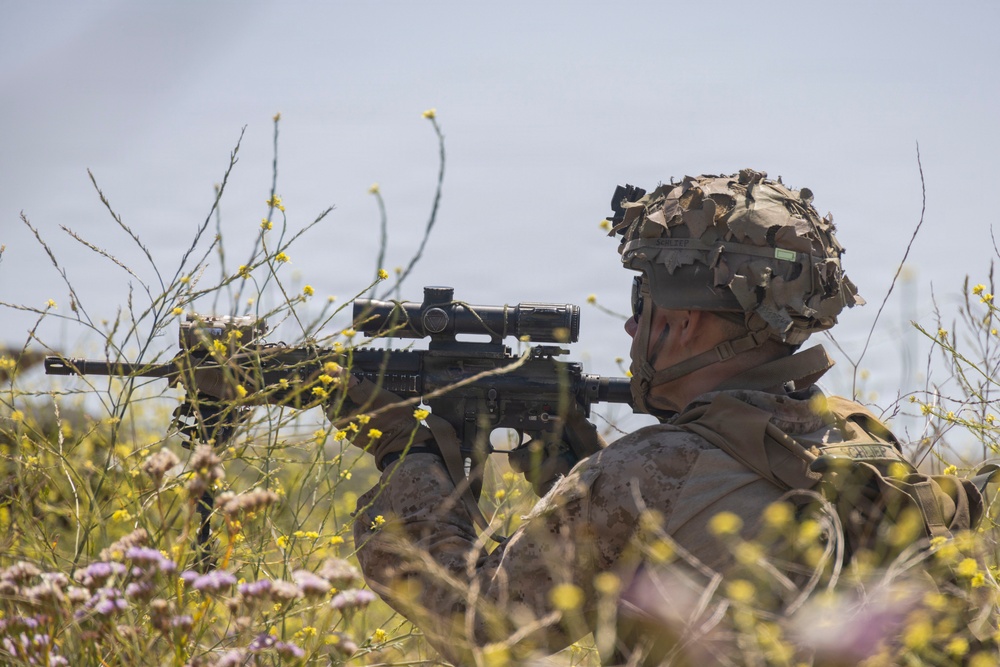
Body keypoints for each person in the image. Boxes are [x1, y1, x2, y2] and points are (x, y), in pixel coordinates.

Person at [337, 169, 890, 664]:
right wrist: (576, 479)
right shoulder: (859, 437)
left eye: (640, 301)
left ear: (681, 322)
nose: (630, 328)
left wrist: (406, 454)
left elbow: (482, 628)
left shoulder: (647, 469)